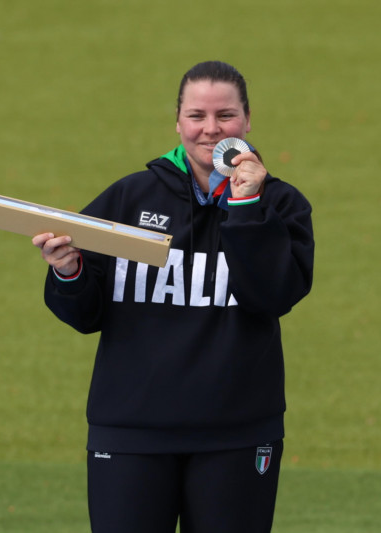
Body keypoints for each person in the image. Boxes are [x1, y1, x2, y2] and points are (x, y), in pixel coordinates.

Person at [31, 60, 314, 532]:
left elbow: (274, 295)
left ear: (246, 120)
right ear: (178, 121)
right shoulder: (128, 199)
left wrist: (245, 207)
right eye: (196, 115)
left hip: (238, 435)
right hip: (129, 434)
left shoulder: (281, 204)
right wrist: (69, 271)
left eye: (225, 115)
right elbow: (84, 314)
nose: (210, 129)